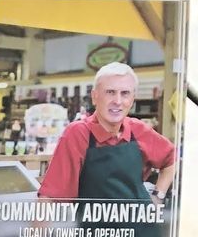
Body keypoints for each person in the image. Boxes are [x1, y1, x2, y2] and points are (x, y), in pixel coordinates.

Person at [37, 61, 177, 204]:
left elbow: (172, 158)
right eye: (110, 92)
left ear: (132, 99)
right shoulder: (78, 133)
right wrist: (36, 226)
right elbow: (50, 197)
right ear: (94, 96)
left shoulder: (139, 130)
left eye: (125, 93)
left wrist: (158, 196)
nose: (117, 101)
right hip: (97, 226)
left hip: (141, 223)